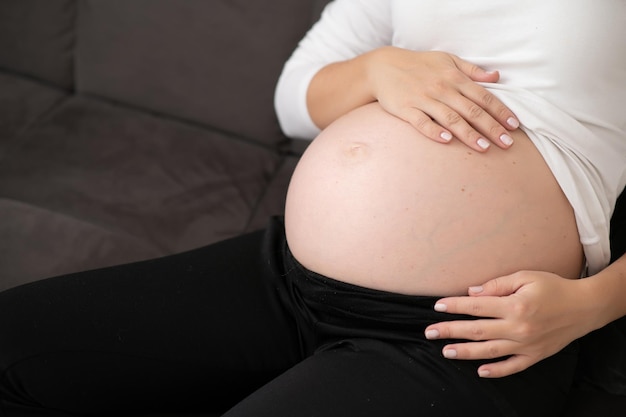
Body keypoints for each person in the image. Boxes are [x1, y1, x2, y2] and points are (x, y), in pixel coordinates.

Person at [0, 1, 624, 416]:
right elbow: (293, 99)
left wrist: (595, 304)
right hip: (285, 278)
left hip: (472, 334)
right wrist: (378, 69)